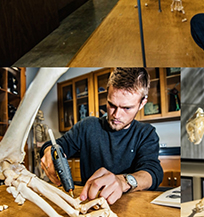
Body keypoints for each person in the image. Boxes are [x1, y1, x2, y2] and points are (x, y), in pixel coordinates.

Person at [40, 68, 163, 205]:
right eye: (111, 105)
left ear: (142, 104)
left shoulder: (146, 134)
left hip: (131, 207)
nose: (116, 115)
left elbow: (153, 172)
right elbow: (57, 146)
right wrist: (48, 151)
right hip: (90, 204)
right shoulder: (87, 127)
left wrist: (123, 182)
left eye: (126, 108)